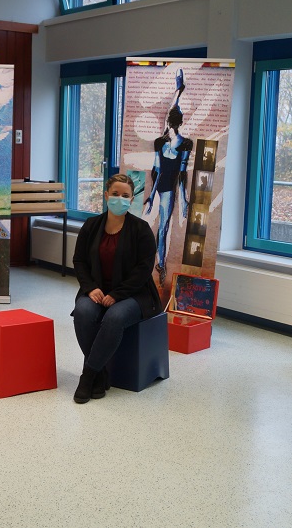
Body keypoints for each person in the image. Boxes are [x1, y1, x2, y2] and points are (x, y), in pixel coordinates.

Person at [72, 173, 162, 404]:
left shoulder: (141, 230)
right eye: (115, 194)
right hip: (96, 291)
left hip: (135, 294)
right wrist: (90, 288)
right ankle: (101, 373)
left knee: (114, 317)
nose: (119, 199)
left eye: (125, 195)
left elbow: (144, 270)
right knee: (82, 312)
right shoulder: (91, 226)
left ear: (131, 200)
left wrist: (117, 294)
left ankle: (88, 376)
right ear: (106, 195)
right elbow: (79, 261)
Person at [144, 68, 193, 287]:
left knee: (163, 229)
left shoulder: (183, 144)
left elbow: (181, 175)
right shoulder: (161, 142)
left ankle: (161, 265)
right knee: (158, 229)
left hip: (168, 190)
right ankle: (158, 264)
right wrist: (151, 196)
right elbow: (158, 171)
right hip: (163, 188)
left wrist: (183, 201)